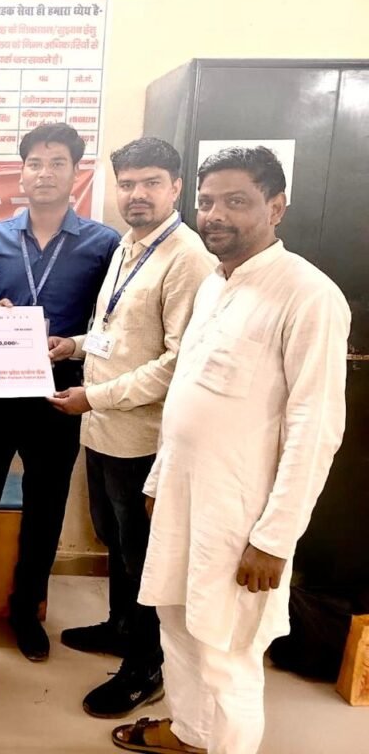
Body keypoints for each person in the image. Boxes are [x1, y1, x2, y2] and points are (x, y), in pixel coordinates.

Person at [112, 146, 349, 754]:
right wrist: (158, 482)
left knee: (227, 655)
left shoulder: (308, 294)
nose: (215, 215)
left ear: (276, 207)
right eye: (208, 201)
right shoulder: (215, 285)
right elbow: (188, 395)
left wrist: (274, 538)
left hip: (240, 515)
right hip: (182, 499)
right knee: (176, 622)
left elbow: (316, 426)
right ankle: (190, 733)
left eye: (236, 201)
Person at [0, 123, 121, 660]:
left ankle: (26, 611)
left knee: (45, 509)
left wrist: (75, 346)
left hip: (59, 396)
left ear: (76, 173)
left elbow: (112, 323)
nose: (44, 173)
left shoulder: (104, 244)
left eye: (57, 163)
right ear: (22, 173)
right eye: (35, 163)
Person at [48, 138, 214, 718]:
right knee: (115, 541)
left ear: (176, 187)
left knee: (143, 555)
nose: (136, 194)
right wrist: (73, 345)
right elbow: (115, 332)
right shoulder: (127, 246)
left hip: (142, 440)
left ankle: (146, 666)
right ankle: (121, 627)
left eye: (151, 183)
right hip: (102, 431)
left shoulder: (187, 257)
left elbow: (177, 361)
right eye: (127, 184)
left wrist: (95, 396)